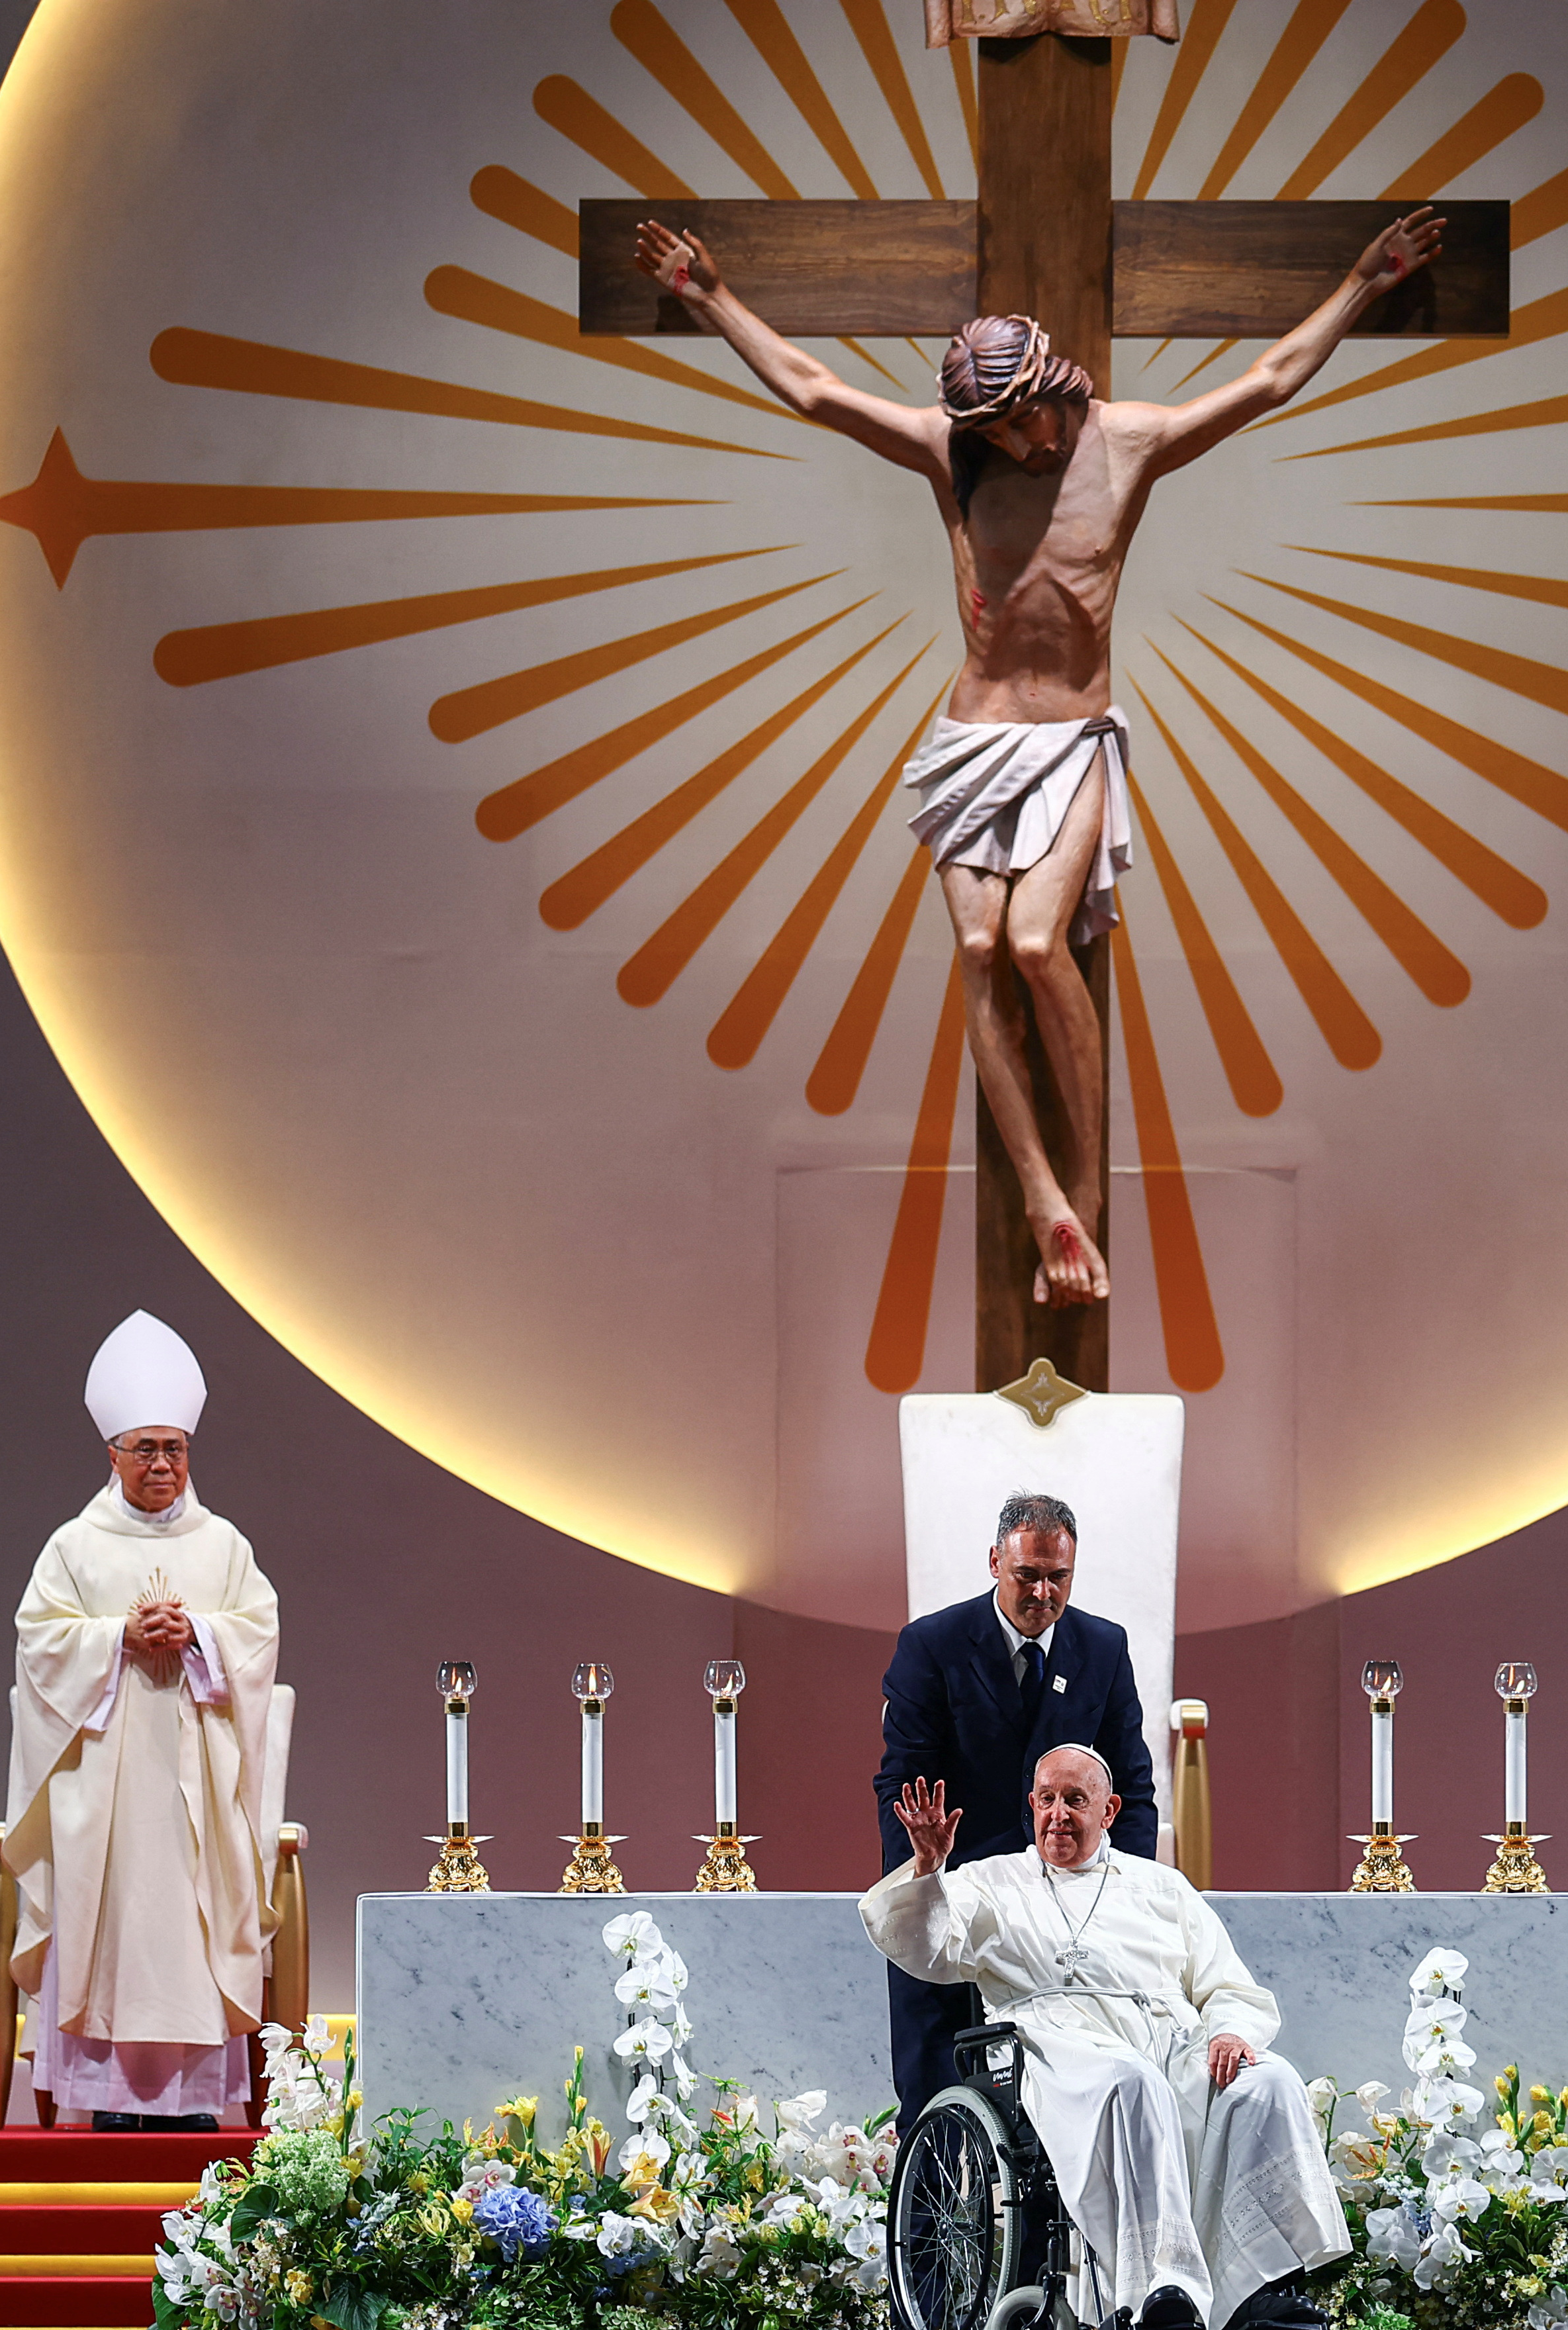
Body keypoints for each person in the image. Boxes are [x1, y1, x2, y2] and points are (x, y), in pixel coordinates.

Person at [631, 207, 1448, 1307]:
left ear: (1048, 393)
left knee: (1029, 943)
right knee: (977, 945)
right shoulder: (953, 450)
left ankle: (1088, 1195)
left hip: (1069, 741)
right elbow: (815, 389)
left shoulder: (1125, 442)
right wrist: (706, 296)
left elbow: (1266, 381)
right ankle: (1041, 1198)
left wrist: (1364, 281)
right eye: (994, 433)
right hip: (973, 738)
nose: (1016, 447)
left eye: (1018, 425)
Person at [868, 1744, 1344, 2330]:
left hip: (1171, 2039)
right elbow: (923, 1946)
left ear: (1110, 1809)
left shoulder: (1161, 1886)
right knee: (1131, 2081)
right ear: (1031, 1804)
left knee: (1268, 2079)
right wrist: (929, 1866)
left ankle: (1259, 2288)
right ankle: (1156, 2289)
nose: (1057, 1814)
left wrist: (1229, 2031)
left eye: (1075, 1799)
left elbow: (1229, 1984)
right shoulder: (992, 1881)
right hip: (1055, 2046)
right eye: (1046, 1799)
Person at [4, 1311, 282, 2131]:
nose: (163, 1463)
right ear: (113, 1454)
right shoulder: (74, 1547)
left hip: (196, 1777)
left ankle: (196, 2106)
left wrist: (200, 1631)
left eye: (175, 1447)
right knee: (111, 1914)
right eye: (146, 1448)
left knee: (192, 1915)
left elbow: (259, 1634)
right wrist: (115, 1636)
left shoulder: (224, 1545)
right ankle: (104, 2101)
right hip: (108, 1786)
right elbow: (39, 1642)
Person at [874, 1493, 1159, 2128]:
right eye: (1027, 1574)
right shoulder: (932, 1645)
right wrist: (922, 1896)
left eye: (1058, 1577)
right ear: (995, 1562)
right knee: (936, 2086)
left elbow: (1131, 1787)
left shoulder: (1103, 1647)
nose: (1043, 1592)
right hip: (957, 1894)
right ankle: (931, 2223)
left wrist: (1126, 1892)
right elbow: (905, 1785)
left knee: (1065, 2094)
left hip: (1067, 1907)